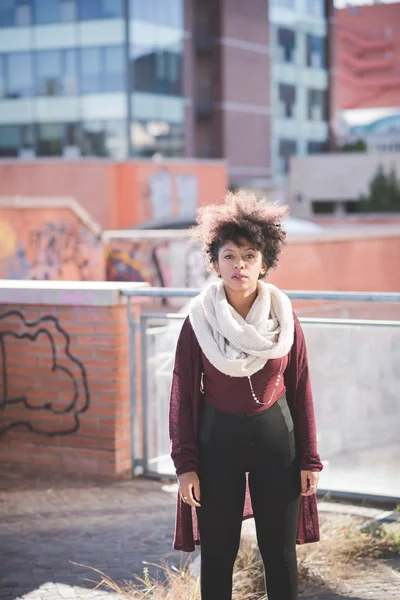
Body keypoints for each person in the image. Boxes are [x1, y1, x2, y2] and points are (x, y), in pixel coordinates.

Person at [169, 190, 323, 600]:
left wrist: (309, 457)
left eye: (250, 255)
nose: (240, 264)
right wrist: (186, 466)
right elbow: (183, 396)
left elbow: (300, 386)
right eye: (230, 255)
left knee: (279, 554)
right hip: (217, 445)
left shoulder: (285, 318)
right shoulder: (198, 321)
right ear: (215, 263)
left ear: (265, 263)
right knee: (219, 553)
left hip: (279, 444)